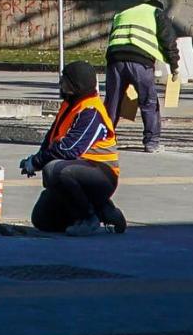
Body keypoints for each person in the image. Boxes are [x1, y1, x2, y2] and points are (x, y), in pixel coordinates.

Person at [21, 60, 125, 235]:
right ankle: (104, 210)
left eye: (65, 82)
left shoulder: (91, 110)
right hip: (77, 169)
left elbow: (70, 150)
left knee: (53, 171)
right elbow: (51, 139)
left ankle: (88, 217)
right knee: (42, 219)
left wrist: (38, 162)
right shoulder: (70, 105)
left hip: (102, 175)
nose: (60, 85)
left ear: (76, 86)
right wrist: (34, 160)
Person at [102, 0, 184, 153]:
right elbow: (168, 40)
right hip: (140, 62)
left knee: (113, 102)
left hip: (115, 60)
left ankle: (105, 139)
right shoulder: (156, 13)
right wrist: (174, 66)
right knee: (148, 102)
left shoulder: (123, 13)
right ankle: (151, 142)